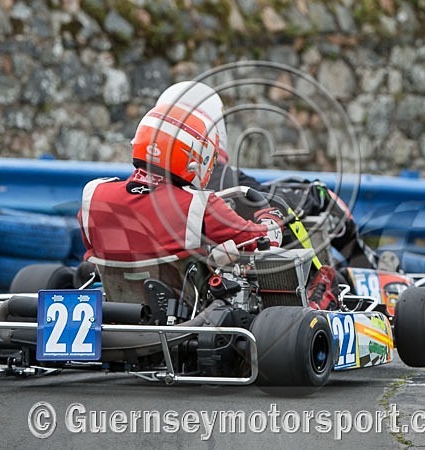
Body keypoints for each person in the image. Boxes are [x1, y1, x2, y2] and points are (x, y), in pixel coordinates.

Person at [156, 81, 379, 270]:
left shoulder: (129, 193)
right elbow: (277, 207)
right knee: (316, 193)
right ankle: (356, 271)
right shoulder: (231, 185)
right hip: (221, 295)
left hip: (152, 300)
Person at [78, 102, 283, 304]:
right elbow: (258, 242)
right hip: (182, 324)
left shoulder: (94, 194)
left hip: (115, 314)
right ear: (192, 156)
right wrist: (272, 221)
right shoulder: (199, 205)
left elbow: (93, 250)